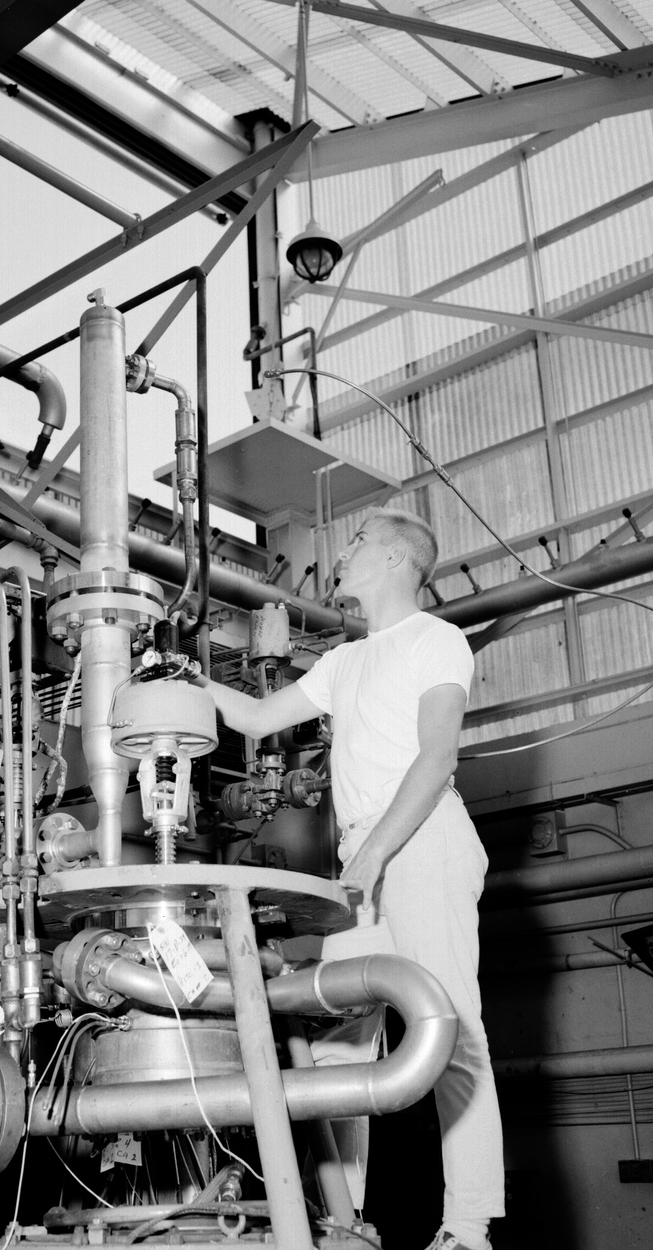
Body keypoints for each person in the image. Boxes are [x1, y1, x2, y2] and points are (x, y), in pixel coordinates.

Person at [194, 507, 505, 1250]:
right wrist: (190, 681)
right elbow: (258, 719)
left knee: (450, 1025)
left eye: (360, 540)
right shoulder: (344, 661)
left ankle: (467, 1226)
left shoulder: (436, 640)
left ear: (398, 559)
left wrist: (371, 859)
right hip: (366, 850)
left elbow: (437, 758)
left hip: (422, 838)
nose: (342, 552)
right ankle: (342, 1216)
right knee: (334, 1032)